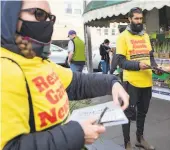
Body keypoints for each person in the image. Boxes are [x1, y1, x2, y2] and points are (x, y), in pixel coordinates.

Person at [1, 1, 129, 150]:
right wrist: (77, 134)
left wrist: (112, 83)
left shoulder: (38, 62)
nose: (48, 23)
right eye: (40, 14)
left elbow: (77, 83)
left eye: (51, 17)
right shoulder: (5, 68)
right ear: (11, 15)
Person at [116, 7, 161, 150]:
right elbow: (120, 62)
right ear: (129, 19)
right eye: (136, 18)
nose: (139, 21)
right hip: (131, 82)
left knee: (142, 112)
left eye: (141, 18)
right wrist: (137, 65)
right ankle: (127, 142)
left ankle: (140, 138)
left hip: (147, 81)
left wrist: (154, 67)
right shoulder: (123, 37)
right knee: (128, 114)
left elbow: (150, 56)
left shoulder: (145, 36)